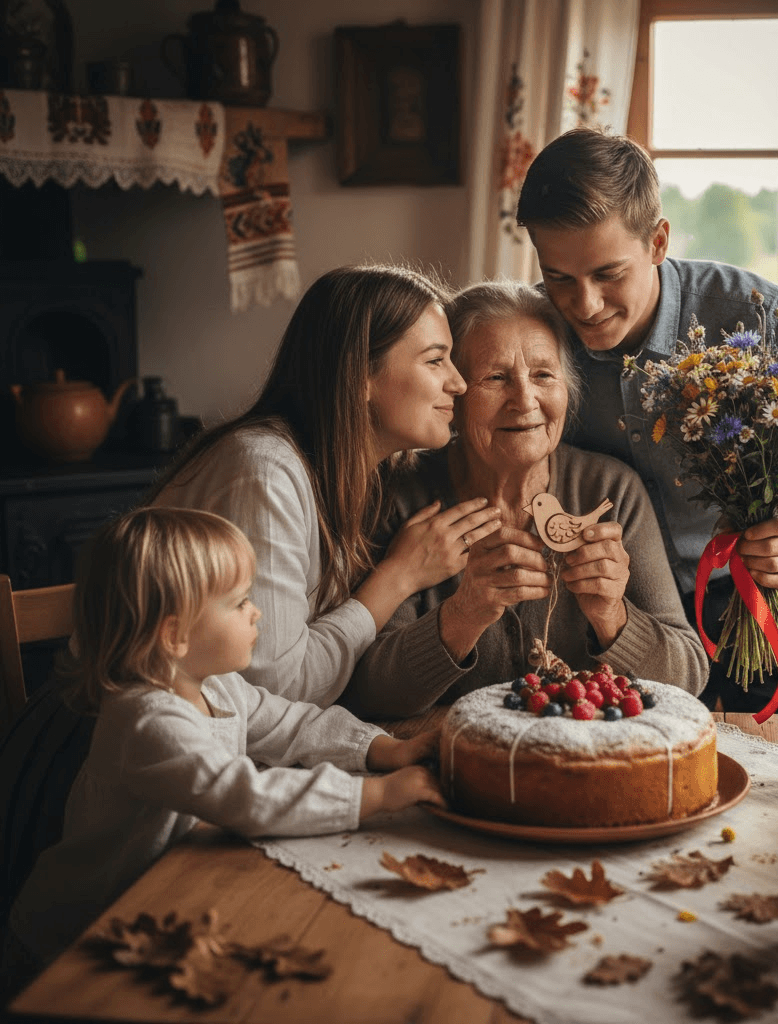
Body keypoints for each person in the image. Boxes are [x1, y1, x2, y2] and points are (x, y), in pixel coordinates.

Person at [515, 128, 778, 714]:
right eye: (559, 277)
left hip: (769, 600)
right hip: (628, 616)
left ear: (658, 242)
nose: (583, 305)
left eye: (608, 274)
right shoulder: (534, 334)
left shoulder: (753, 315)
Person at [3, 507, 445, 981]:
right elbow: (243, 797)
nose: (256, 612)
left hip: (164, 903)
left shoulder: (214, 684)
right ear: (174, 635)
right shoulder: (146, 721)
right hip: (73, 945)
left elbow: (290, 724)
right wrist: (375, 795)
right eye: (239, 603)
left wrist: (383, 749)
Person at [343, 280, 708, 719]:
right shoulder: (401, 494)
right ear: (454, 392)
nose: (525, 400)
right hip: (449, 761)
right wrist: (464, 614)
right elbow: (363, 692)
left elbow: (689, 675)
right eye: (496, 378)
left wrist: (613, 617)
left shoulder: (611, 491)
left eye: (543, 375)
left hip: (587, 760)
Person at [150, 265, 503, 708]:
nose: (459, 382)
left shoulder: (355, 476)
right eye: (435, 360)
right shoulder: (264, 472)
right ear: (360, 378)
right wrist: (397, 577)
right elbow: (275, 692)